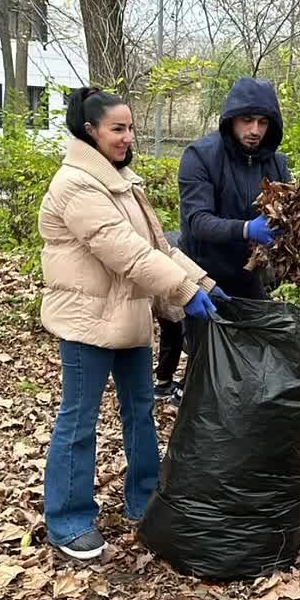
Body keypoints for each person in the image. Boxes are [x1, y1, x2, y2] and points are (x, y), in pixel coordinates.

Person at [38, 87, 228, 560]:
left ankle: (145, 500)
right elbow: (125, 253)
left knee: (140, 412)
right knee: (79, 420)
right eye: (117, 129)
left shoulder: (121, 182)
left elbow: (157, 248)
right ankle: (68, 521)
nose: (128, 137)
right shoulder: (77, 185)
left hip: (127, 318)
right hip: (86, 324)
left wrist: (204, 283)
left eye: (131, 128)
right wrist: (184, 292)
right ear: (91, 131)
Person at [178, 77, 292, 299]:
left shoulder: (276, 163)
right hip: (202, 276)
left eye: (263, 122)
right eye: (247, 120)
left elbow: (286, 213)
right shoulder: (200, 156)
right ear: (231, 119)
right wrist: (246, 229)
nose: (255, 130)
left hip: (250, 276)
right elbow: (198, 221)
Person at [153, 231, 185, 405]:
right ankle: (181, 388)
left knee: (172, 331)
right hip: (172, 281)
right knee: (180, 331)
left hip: (163, 281)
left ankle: (163, 382)